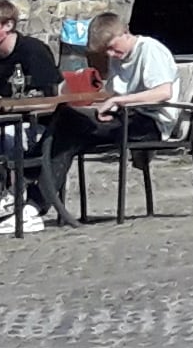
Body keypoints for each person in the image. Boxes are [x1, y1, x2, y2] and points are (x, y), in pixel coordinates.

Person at [45, 12, 185, 210]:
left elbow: (163, 92)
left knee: (69, 125)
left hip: (150, 122)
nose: (110, 54)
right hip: (125, 116)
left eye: (112, 47)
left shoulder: (150, 50)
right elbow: (112, 92)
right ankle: (34, 201)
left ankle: (29, 186)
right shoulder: (118, 58)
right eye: (106, 51)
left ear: (125, 32)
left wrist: (119, 100)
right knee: (66, 125)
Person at [0, 0, 66, 231]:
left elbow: (51, 102)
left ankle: (13, 201)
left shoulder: (33, 51)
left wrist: (7, 107)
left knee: (5, 140)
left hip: (32, 124)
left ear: (7, 25)